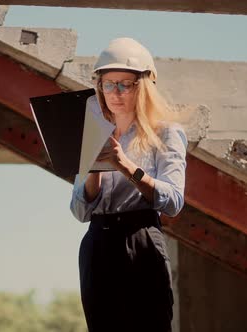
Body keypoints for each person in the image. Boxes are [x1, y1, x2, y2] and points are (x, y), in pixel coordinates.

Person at [70, 37, 188, 332]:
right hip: (97, 242)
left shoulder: (167, 133)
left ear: (144, 85)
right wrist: (97, 167)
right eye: (108, 84)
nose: (115, 93)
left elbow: (173, 201)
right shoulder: (91, 130)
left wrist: (126, 166)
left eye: (125, 84)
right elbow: (79, 211)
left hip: (141, 238)